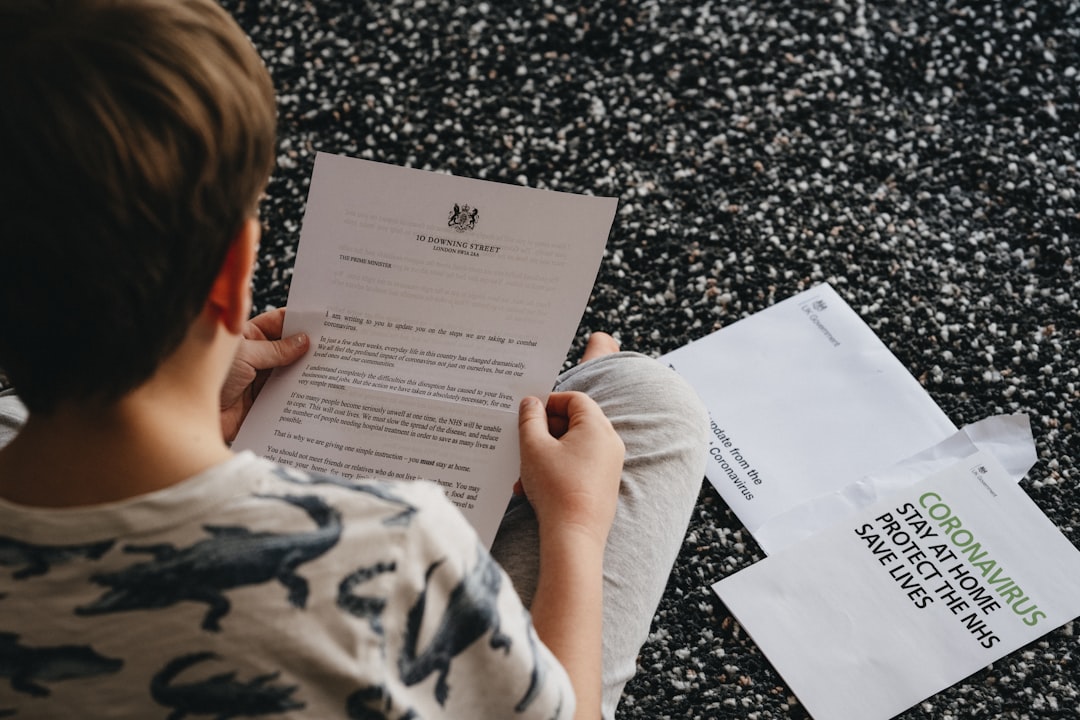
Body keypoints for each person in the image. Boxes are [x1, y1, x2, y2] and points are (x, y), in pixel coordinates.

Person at [0, 1, 708, 718]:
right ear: (230, 273)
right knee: (648, 400)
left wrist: (205, 426)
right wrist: (577, 530)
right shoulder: (393, 548)